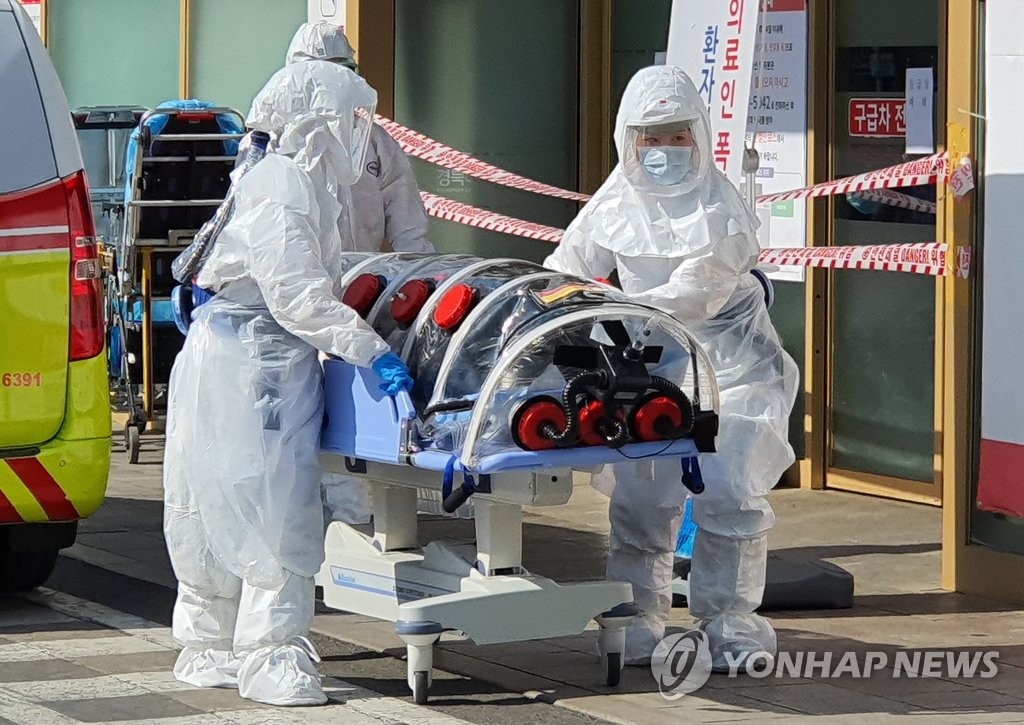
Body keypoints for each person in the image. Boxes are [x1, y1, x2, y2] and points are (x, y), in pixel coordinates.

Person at [162, 60, 414, 707]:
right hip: (258, 365)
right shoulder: (286, 187)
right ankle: (270, 656)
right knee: (274, 510)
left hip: (229, 358)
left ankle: (208, 645)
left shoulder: (286, 179)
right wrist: (373, 351)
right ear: (318, 122)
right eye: (351, 118)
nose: (359, 132)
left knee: (215, 501)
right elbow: (298, 296)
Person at [544, 65, 798, 671]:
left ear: (699, 137)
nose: (663, 150)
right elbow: (565, 268)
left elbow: (693, 294)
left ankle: (730, 624)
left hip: (732, 369)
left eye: (677, 136)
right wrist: (550, 306)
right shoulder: (615, 200)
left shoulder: (722, 209)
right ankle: (637, 621)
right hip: (650, 366)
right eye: (650, 137)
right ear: (627, 139)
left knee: (730, 493)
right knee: (642, 499)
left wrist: (612, 307)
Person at [286, 21, 434, 255]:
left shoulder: (373, 140)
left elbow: (406, 215)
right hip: (298, 272)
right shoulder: (276, 140)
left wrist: (419, 264)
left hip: (362, 270)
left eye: (337, 74)